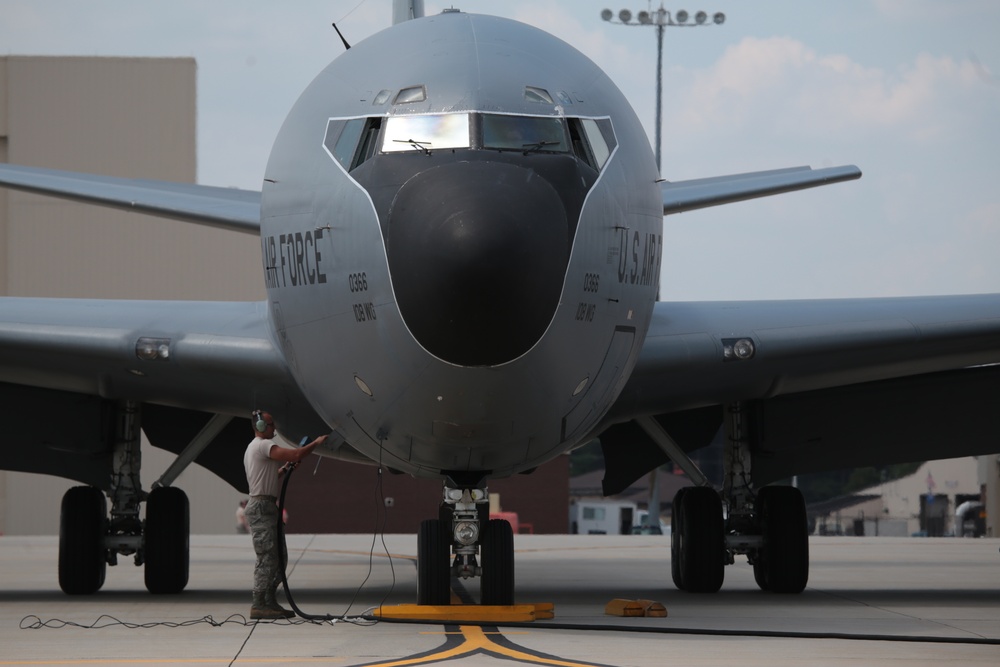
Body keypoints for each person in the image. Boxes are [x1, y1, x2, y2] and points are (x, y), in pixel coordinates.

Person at [243, 410, 327, 619]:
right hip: (261, 507)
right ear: (261, 427)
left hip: (267, 505)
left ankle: (269, 601)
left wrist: (284, 470)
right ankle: (259, 603)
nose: (274, 429)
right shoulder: (262, 445)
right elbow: (296, 454)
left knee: (279, 558)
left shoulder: (256, 448)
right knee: (267, 558)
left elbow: (265, 479)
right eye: (271, 425)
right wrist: (316, 443)